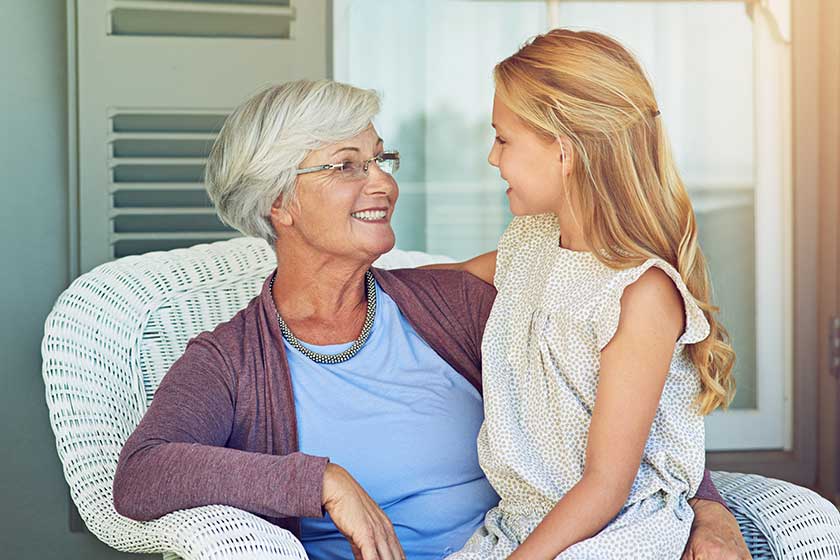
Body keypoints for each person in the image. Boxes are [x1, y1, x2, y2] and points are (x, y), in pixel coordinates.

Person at [112, 79, 749, 560]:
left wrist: (706, 508)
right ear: (279, 202)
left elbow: (613, 395)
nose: (382, 183)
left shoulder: (450, 306)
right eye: (346, 165)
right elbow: (141, 476)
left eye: (379, 159)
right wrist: (322, 481)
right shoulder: (228, 361)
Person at [432, 30, 739, 559]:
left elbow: (605, 486)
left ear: (564, 151)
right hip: (522, 525)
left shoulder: (640, 294)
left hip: (614, 532)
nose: (490, 156)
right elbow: (439, 279)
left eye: (503, 139)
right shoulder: (530, 245)